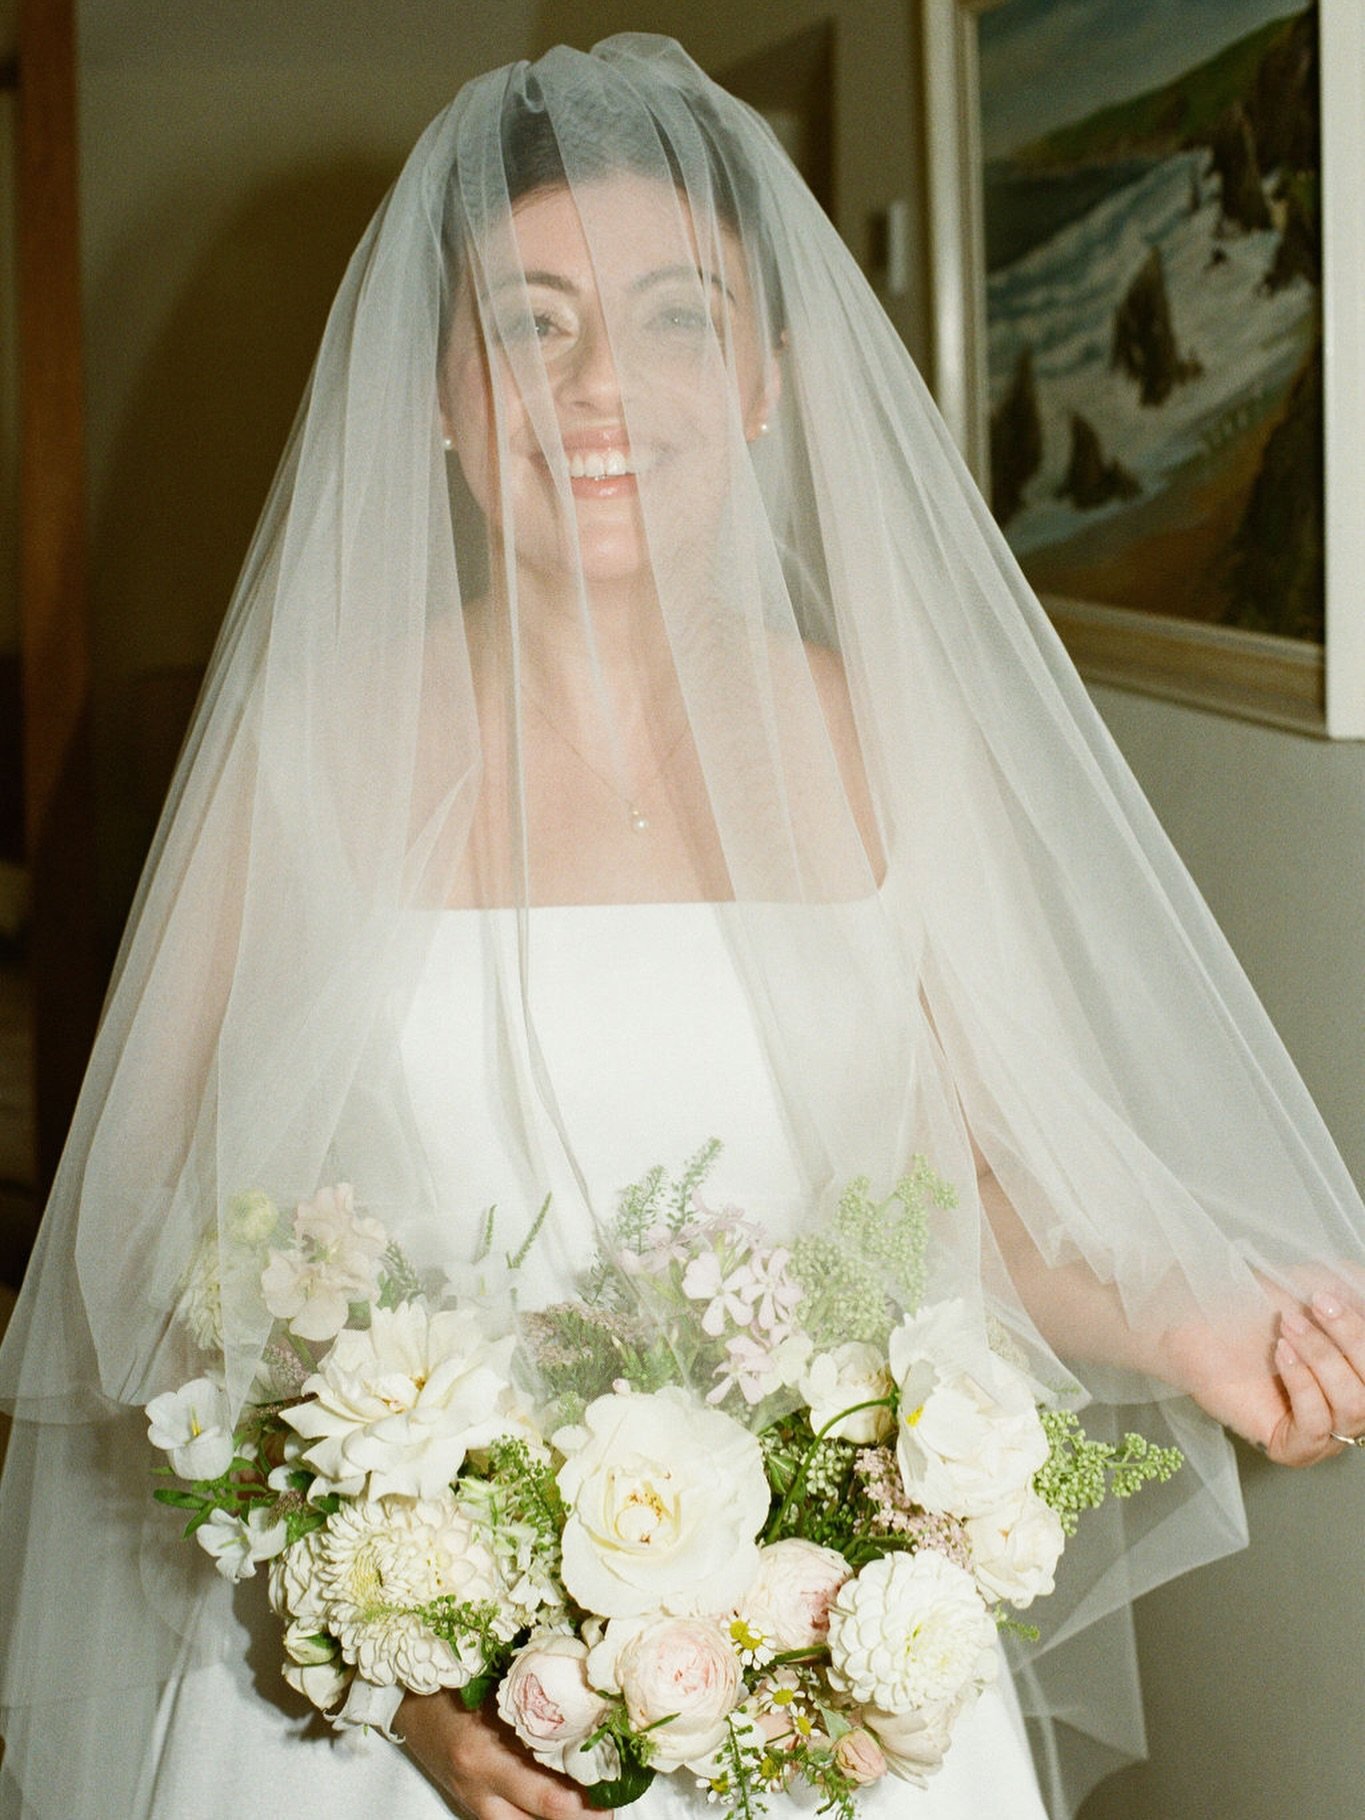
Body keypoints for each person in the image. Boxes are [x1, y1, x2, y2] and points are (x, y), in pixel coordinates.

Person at [1, 34, 1363, 1820]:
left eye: (672, 316)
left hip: (816, 1668)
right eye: (530, 320)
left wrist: (1182, 1323)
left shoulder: (892, 733)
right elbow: (163, 1265)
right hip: (389, 1727)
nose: (597, 389)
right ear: (434, 383)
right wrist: (398, 1656)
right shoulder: (301, 750)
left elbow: (960, 1195)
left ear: (765, 376)